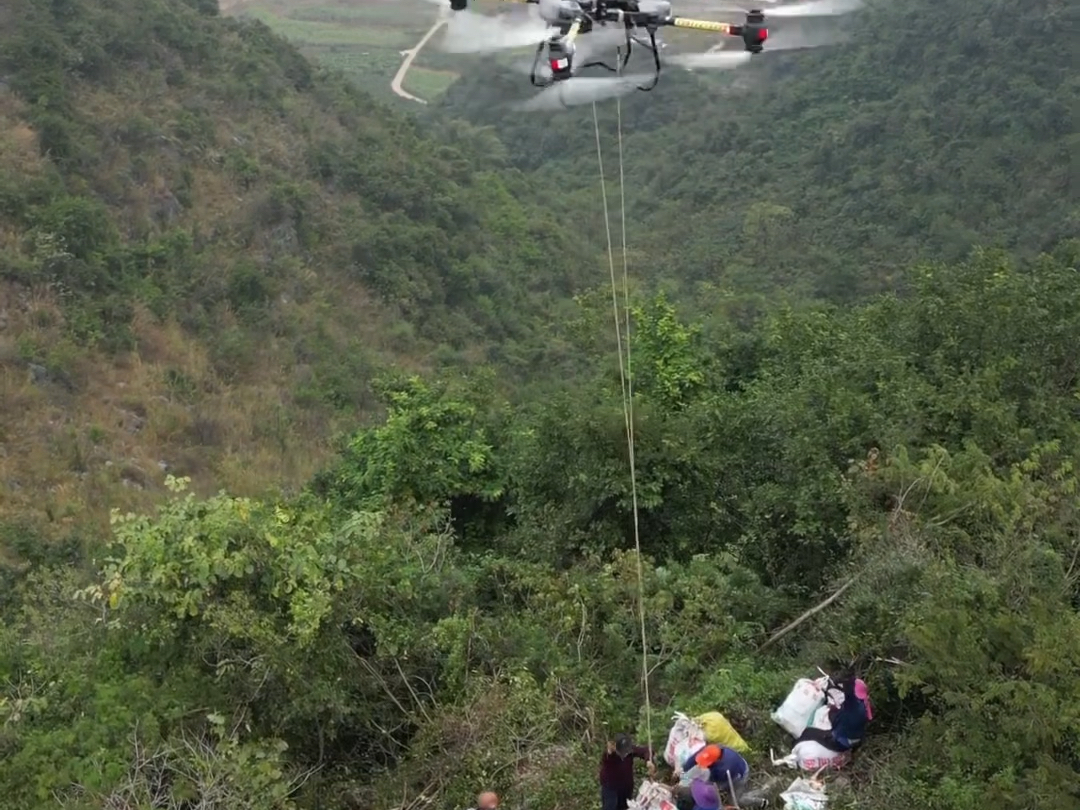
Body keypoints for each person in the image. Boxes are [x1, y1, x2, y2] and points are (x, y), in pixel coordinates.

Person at [797, 677, 870, 752]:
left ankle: (794, 748)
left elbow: (839, 724)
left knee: (808, 732)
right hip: (855, 739)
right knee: (832, 715)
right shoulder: (863, 705)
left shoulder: (852, 705)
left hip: (841, 743)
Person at [600, 732, 656, 810]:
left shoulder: (628, 750)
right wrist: (611, 750)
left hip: (626, 788)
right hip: (611, 789)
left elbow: (647, 750)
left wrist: (648, 761)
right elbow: (608, 755)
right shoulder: (609, 755)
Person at [682, 744, 750, 805]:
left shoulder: (722, 769)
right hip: (735, 765)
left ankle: (759, 800)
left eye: (707, 763)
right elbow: (696, 756)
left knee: (734, 801)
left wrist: (696, 787)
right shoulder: (712, 750)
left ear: (717, 761)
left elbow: (712, 783)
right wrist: (684, 769)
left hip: (739, 776)